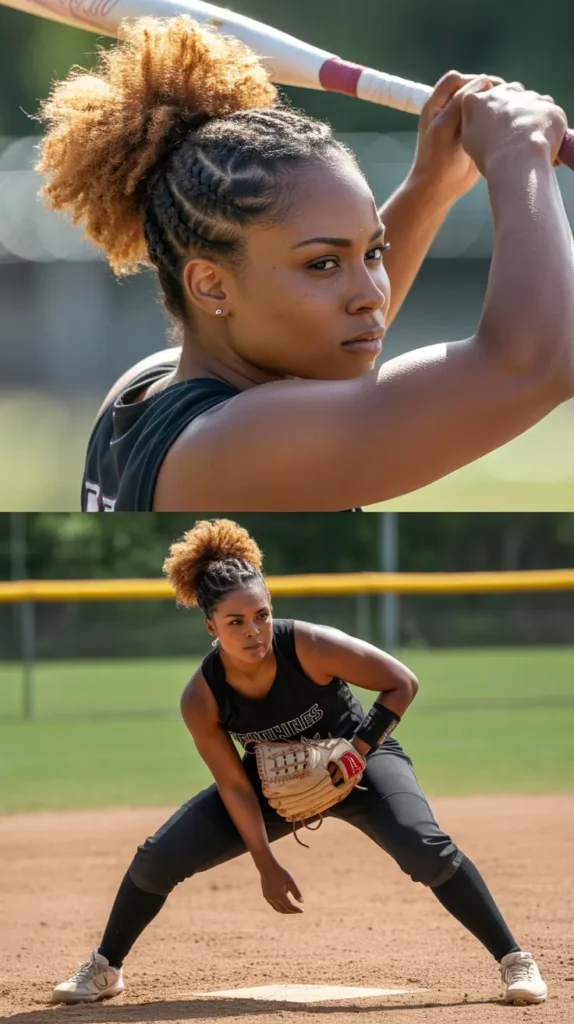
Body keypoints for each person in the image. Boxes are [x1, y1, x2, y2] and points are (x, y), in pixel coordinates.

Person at [35, 18, 574, 512]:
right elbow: (535, 364)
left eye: (373, 253)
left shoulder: (143, 388)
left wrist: (428, 188)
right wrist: (517, 154)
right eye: (321, 265)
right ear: (212, 287)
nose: (372, 296)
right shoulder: (244, 442)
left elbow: (309, 343)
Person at [51, 519, 547, 1006]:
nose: (254, 631)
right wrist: (266, 863)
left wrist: (360, 750)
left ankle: (514, 959)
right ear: (210, 626)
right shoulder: (201, 698)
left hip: (357, 759)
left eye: (261, 615)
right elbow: (236, 787)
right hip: (270, 781)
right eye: (236, 622)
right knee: (159, 857)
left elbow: (402, 681)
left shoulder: (308, 645)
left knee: (424, 848)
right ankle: (104, 967)